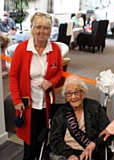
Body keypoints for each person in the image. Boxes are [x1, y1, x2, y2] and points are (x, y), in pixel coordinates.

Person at [8, 11, 63, 160]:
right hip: (27, 105)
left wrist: (51, 82)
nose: (42, 31)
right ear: (32, 28)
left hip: (46, 103)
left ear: (50, 30)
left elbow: (59, 72)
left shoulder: (55, 49)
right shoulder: (22, 49)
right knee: (29, 141)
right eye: (38, 27)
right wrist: (17, 100)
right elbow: (13, 76)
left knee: (44, 137)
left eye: (46, 28)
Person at [50, 75, 114, 160]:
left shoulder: (94, 107)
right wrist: (69, 155)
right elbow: (55, 139)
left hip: (91, 152)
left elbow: (109, 132)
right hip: (66, 154)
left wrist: (94, 143)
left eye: (76, 92)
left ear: (83, 93)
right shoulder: (61, 113)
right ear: (66, 97)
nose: (73, 97)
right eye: (69, 93)